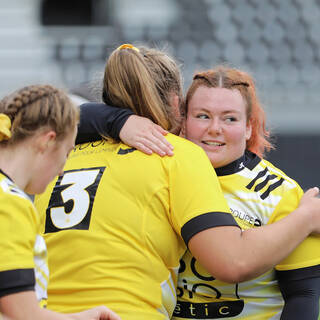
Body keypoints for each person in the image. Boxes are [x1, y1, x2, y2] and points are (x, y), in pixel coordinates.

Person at [35, 45, 320, 320]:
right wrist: (306, 217)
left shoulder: (56, 157)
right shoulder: (174, 155)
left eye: (229, 118)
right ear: (179, 109)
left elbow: (304, 293)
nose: (214, 128)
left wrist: (112, 120)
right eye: (202, 115)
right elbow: (234, 260)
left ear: (249, 126)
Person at [0, 85, 120, 320]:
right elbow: (22, 315)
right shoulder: (10, 204)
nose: (63, 170)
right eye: (67, 153)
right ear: (47, 142)